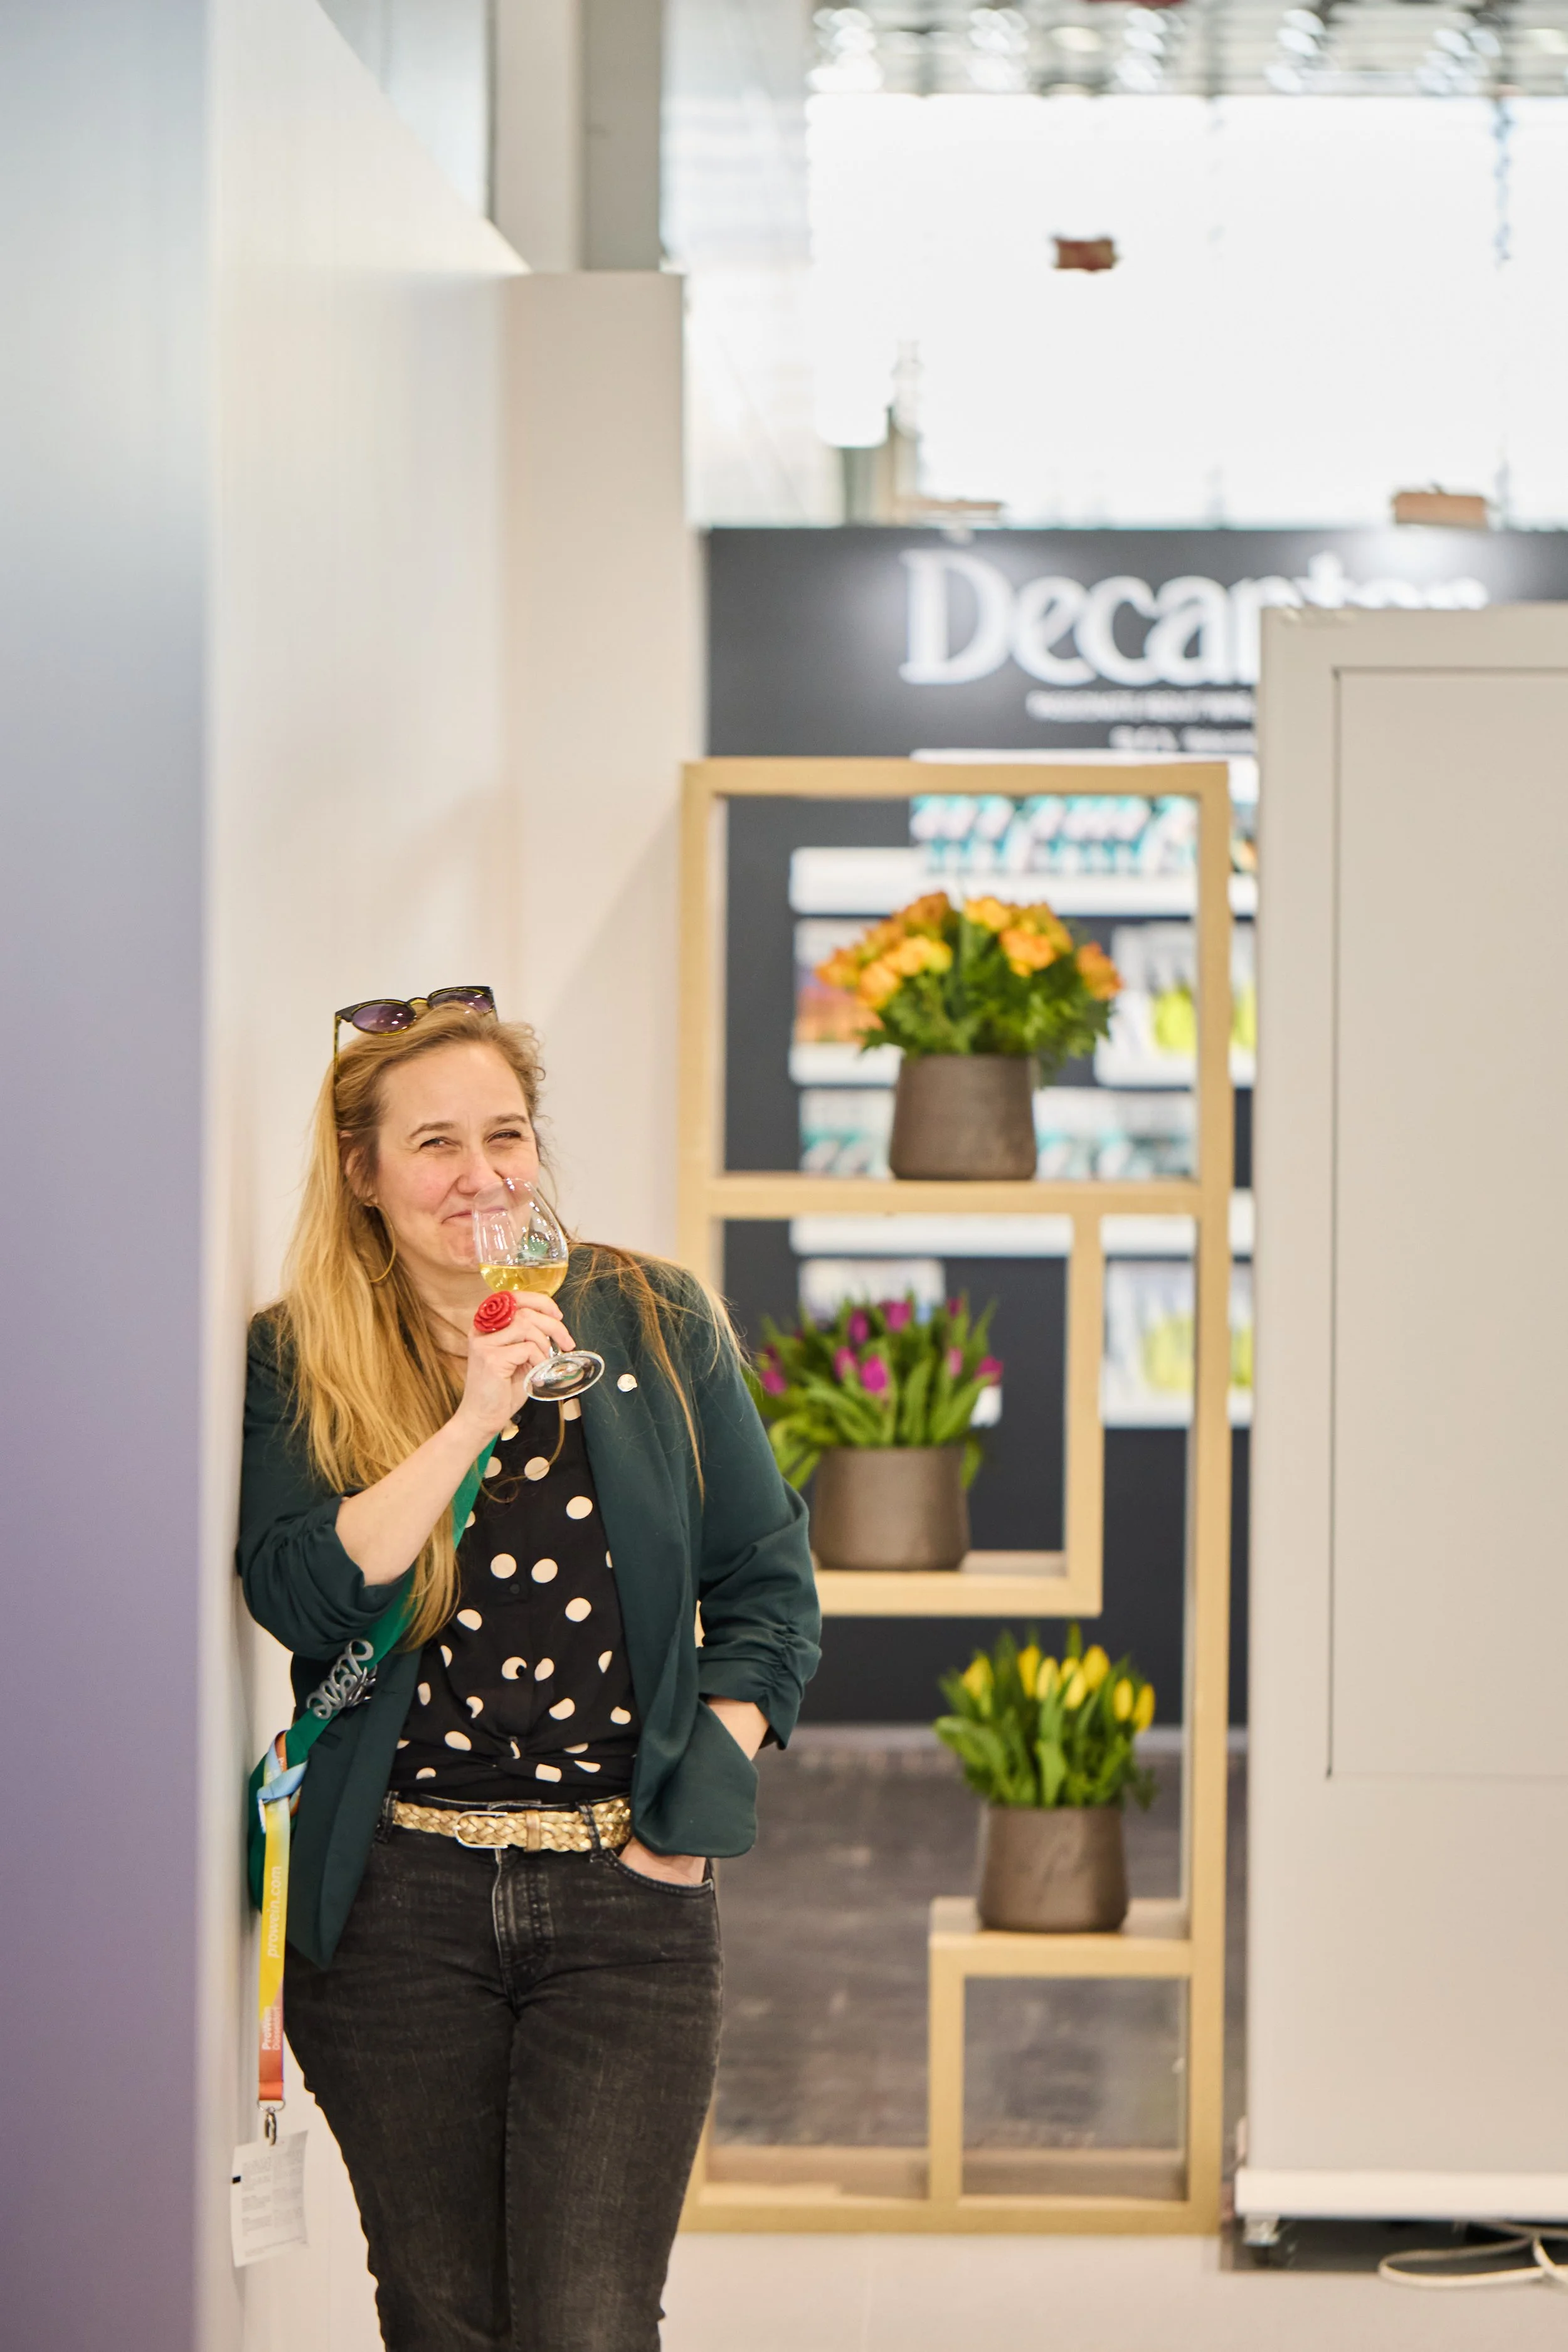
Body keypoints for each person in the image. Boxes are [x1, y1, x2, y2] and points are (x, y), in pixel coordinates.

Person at [238, 994, 820, 2352]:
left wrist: (689, 1812)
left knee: (589, 2322)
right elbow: (303, 1594)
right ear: (363, 1173)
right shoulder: (302, 1355)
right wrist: (471, 1418)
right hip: (393, 1910)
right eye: (434, 1142)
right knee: (444, 2321)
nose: (481, 1172)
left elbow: (769, 1590)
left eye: (505, 1134)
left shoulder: (654, 1321)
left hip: (623, 1903)